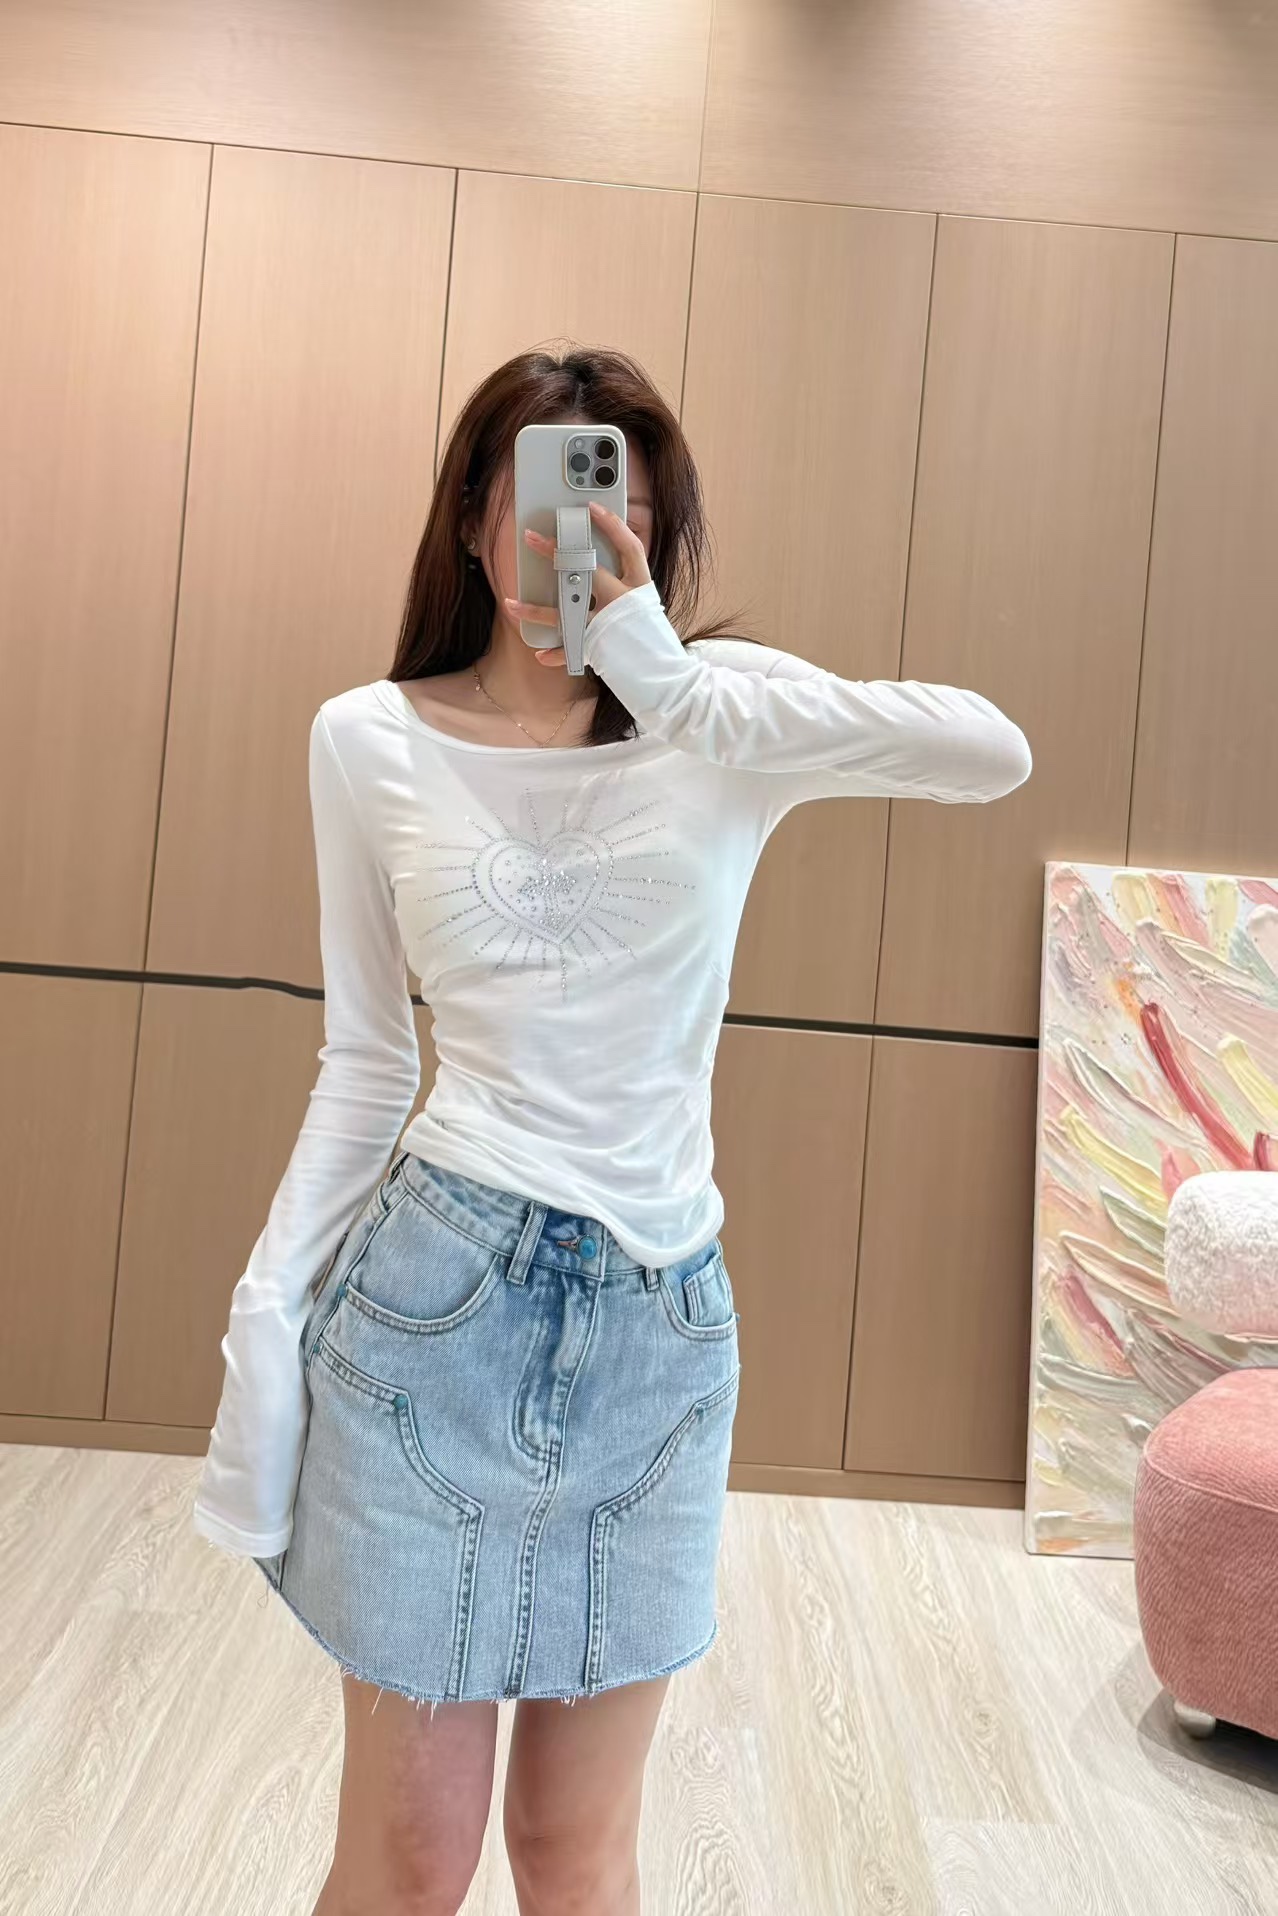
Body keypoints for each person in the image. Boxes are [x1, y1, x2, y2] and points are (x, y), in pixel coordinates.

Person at [192, 345, 1032, 1916]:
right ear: (468, 518)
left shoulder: (720, 721)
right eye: (535, 505)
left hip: (659, 1337)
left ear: (656, 536)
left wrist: (676, 679)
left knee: (575, 1856)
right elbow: (366, 1061)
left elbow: (991, 753)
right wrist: (267, 1298)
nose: (565, 547)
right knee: (411, 1857)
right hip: (431, 1317)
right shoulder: (366, 739)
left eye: (612, 515)